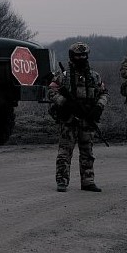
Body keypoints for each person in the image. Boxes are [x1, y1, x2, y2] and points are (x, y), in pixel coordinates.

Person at [48, 42, 110, 193]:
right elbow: (51, 92)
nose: (81, 58)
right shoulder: (63, 76)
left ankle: (88, 181)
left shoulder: (95, 76)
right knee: (64, 152)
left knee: (87, 152)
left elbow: (104, 93)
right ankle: (62, 181)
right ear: (72, 56)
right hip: (69, 119)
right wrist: (64, 103)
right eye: (78, 55)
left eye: (84, 55)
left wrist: (98, 107)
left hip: (87, 119)